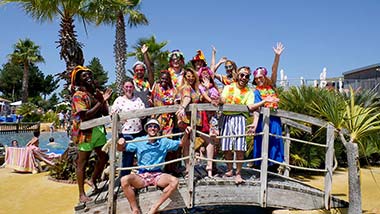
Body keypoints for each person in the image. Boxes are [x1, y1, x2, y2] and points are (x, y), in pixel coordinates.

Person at [117, 118, 191, 214]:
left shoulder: (164, 141)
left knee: (175, 181)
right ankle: (135, 209)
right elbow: (120, 149)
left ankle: (155, 207)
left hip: (157, 175)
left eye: (155, 126)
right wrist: (120, 143)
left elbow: (181, 143)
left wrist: (186, 133)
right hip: (142, 175)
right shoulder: (139, 141)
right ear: (147, 129)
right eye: (150, 126)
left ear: (159, 129)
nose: (153, 128)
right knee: (124, 180)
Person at [70, 65, 113, 203]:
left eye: (89, 74)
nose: (88, 77)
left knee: (104, 157)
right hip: (85, 133)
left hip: (98, 131)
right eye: (84, 75)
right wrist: (101, 101)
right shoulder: (78, 96)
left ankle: (93, 179)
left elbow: (105, 112)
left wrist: (103, 101)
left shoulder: (96, 93)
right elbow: (84, 116)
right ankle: (81, 194)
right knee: (82, 163)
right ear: (79, 80)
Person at [249, 42, 285, 173]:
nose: (259, 80)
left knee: (275, 141)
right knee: (262, 141)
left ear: (265, 76)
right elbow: (256, 110)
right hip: (263, 119)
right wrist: (254, 123)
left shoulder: (272, 86)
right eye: (256, 78)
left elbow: (274, 69)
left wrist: (277, 56)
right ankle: (260, 169)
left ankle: (274, 168)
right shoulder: (256, 91)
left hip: (274, 119)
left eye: (260, 77)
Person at [218, 66, 255, 184]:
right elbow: (223, 98)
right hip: (226, 117)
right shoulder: (228, 87)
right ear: (237, 75)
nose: (244, 78)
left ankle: (238, 173)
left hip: (239, 117)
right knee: (226, 145)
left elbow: (249, 106)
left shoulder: (249, 92)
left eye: (247, 76)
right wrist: (219, 100)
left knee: (240, 147)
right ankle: (229, 169)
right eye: (242, 75)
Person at [111, 78, 145, 177]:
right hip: (126, 132)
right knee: (128, 156)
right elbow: (113, 113)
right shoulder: (119, 100)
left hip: (138, 131)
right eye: (126, 87)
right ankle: (124, 179)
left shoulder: (138, 99)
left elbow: (143, 114)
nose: (129, 89)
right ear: (123, 88)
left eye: (130, 87)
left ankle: (142, 177)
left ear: (133, 88)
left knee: (141, 154)